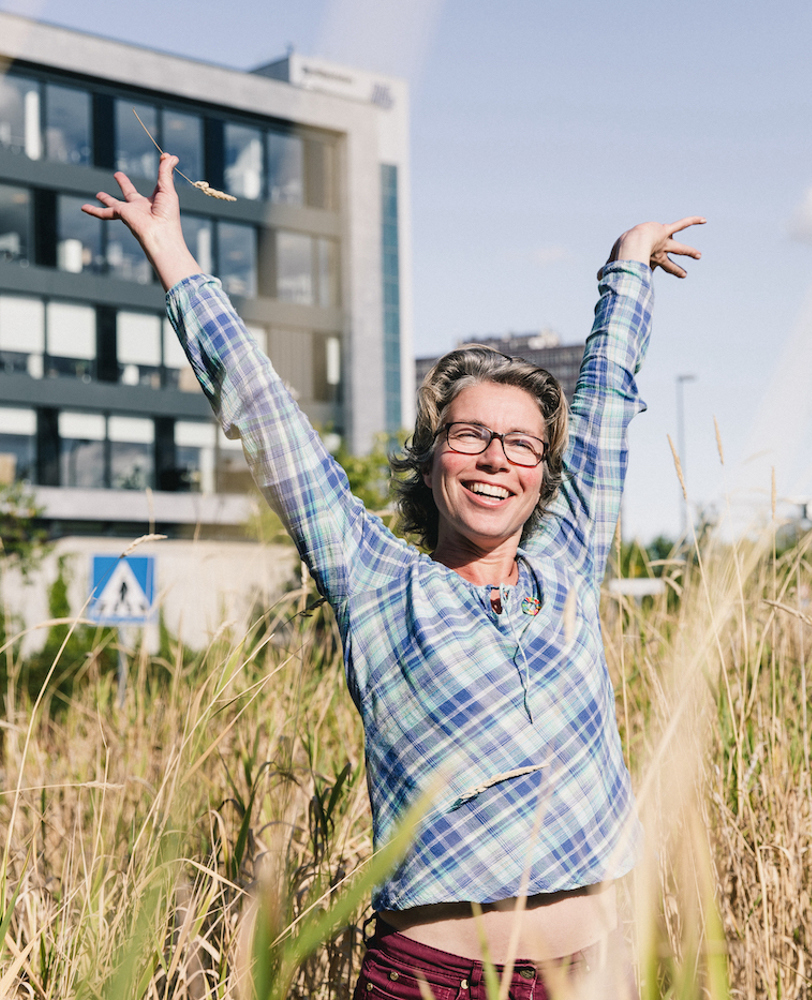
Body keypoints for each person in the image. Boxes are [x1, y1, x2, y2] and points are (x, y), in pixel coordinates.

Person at [84, 155, 703, 999]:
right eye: (470, 435)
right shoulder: (375, 580)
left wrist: (628, 267)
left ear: (544, 475)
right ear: (431, 458)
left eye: (522, 443)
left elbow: (603, 405)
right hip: (432, 979)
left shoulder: (569, 560)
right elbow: (268, 419)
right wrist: (173, 258)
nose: (496, 458)